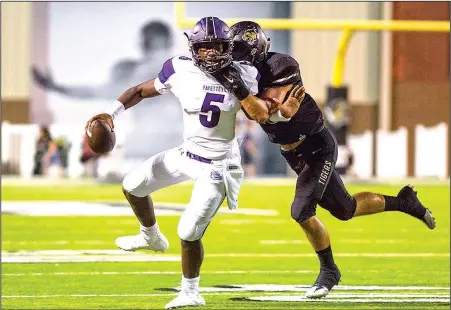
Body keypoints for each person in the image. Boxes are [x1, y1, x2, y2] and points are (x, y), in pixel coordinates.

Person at [85, 17, 302, 309]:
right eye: (204, 47)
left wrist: (280, 112)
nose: (211, 53)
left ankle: (191, 291)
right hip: (188, 153)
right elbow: (139, 91)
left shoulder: (245, 73)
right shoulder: (180, 67)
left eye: (217, 46)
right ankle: (150, 237)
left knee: (188, 230)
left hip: (218, 165)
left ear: (228, 47)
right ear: (193, 48)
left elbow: (260, 113)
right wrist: (110, 113)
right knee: (132, 185)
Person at [210, 21, 436, 299]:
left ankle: (329, 271)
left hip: (317, 146)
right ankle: (404, 201)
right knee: (346, 209)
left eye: (243, 51)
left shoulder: (281, 65)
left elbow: (263, 113)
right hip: (292, 152)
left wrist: (242, 92)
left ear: (257, 50)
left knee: (301, 211)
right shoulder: (240, 72)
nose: (237, 58)